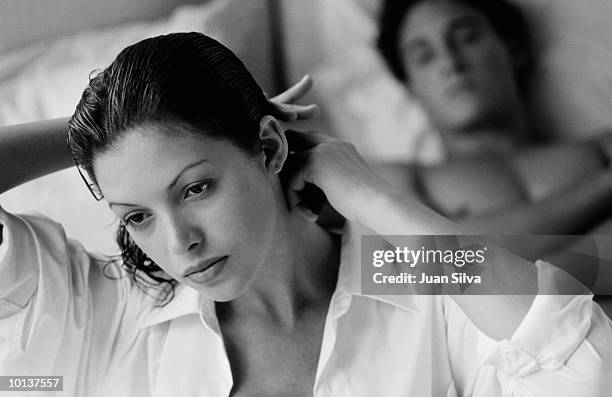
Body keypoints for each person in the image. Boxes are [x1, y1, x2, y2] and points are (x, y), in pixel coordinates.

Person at [1, 32, 611, 396]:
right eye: (137, 216)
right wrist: (100, 134)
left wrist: (368, 192)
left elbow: (585, 371)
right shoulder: (107, 316)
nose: (178, 243)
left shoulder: (413, 288)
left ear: (267, 146)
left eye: (195, 189)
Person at [376, 0, 612, 296]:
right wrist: (603, 187)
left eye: (467, 38)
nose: (451, 61)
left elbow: (448, 264)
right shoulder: (389, 183)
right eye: (424, 57)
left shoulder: (604, 147)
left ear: (513, 49)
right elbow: (411, 270)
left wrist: (475, 253)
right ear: (410, 87)